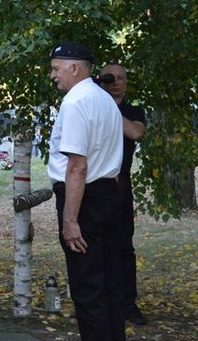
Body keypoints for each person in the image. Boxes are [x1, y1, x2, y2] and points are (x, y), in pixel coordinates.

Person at [47, 42, 125, 341]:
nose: (53, 75)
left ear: (74, 68)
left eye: (56, 69)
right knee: (109, 283)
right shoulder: (105, 99)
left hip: (85, 199)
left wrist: (70, 220)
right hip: (108, 195)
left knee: (87, 285)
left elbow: (77, 167)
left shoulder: (76, 102)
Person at [98, 63, 148, 325]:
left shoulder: (132, 111)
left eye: (121, 78)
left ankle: (128, 303)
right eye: (110, 78)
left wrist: (107, 108)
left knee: (124, 247)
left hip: (121, 186)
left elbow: (136, 132)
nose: (116, 82)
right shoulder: (92, 106)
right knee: (95, 246)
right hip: (94, 185)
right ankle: (102, 302)